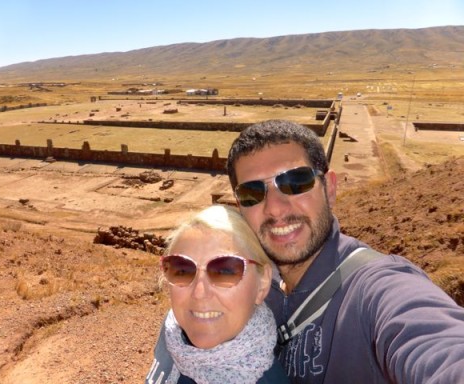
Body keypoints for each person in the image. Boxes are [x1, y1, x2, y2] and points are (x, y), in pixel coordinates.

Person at [149, 120, 464, 383]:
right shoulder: (244, 279)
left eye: (296, 183)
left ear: (329, 188)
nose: (274, 208)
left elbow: (439, 347)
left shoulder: (376, 289)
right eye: (252, 192)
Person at [147, 204, 290, 383]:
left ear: (262, 284)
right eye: (182, 270)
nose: (199, 292)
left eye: (225, 271)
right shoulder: (172, 332)